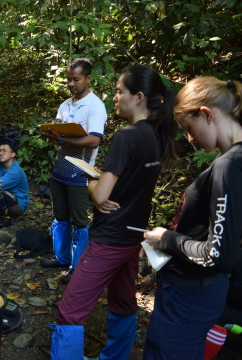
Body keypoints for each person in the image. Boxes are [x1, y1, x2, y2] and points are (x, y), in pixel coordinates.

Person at [50, 64, 177, 360]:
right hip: (133, 235)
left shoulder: (126, 136)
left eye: (120, 92)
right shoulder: (157, 136)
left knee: (70, 310)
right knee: (122, 300)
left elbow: (102, 196)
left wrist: (93, 179)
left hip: (110, 237)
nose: (115, 97)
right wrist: (103, 178)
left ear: (139, 97)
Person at [143, 77, 242, 360]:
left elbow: (216, 254)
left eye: (189, 128)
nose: (189, 138)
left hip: (191, 294)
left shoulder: (229, 166)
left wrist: (167, 239)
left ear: (207, 115)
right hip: (201, 290)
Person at [39, 58, 108, 284]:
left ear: (88, 79)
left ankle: (77, 266)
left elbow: (94, 140)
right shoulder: (65, 105)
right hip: (59, 169)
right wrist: (52, 136)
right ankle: (61, 257)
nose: (70, 83)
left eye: (76, 79)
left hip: (79, 172)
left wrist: (64, 138)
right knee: (60, 217)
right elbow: (59, 136)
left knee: (80, 221)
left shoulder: (95, 106)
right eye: (68, 79)